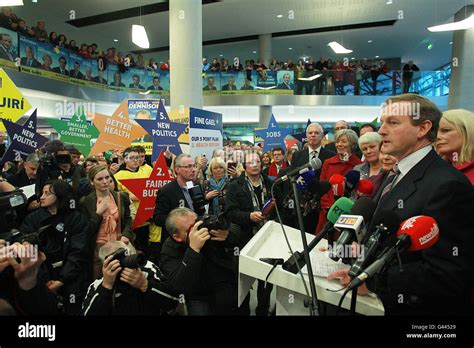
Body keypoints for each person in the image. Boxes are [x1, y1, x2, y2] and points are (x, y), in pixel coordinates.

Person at [332, 93, 474, 315]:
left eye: (393, 123)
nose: (381, 131)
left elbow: (446, 272)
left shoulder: (448, 185)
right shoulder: (397, 173)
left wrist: (371, 280)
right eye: (382, 123)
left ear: (423, 128)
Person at [19, 180, 91, 314]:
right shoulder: (33, 219)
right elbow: (26, 248)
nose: (41, 197)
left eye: (47, 193)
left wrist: (61, 280)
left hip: (72, 279)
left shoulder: (76, 219)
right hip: (41, 279)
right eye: (42, 193)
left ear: (60, 195)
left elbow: (79, 252)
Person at [160, 208, 240, 315]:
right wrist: (193, 250)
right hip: (198, 295)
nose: (198, 230)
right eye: (190, 229)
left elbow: (237, 238)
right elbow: (180, 284)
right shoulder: (169, 250)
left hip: (224, 284)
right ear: (177, 237)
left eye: (197, 223)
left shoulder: (204, 226)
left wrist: (227, 235)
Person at [225, 151, 277, 316]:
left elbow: (280, 208)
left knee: (266, 280)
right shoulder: (234, 185)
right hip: (244, 239)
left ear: (262, 164)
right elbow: (230, 212)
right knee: (244, 281)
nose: (254, 165)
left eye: (257, 162)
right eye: (250, 162)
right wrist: (248, 216)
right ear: (245, 166)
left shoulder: (271, 183)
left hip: (268, 239)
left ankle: (263, 310)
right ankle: (243, 311)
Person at [81, 241, 179, 315]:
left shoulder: (147, 269)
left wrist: (144, 285)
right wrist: (106, 286)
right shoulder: (99, 284)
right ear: (105, 265)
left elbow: (173, 302)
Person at [80, 166, 133, 280]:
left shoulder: (121, 196)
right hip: (98, 248)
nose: (105, 182)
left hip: (119, 244)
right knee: (100, 281)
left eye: (107, 177)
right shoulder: (86, 201)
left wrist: (126, 235)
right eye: (99, 179)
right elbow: (86, 230)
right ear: (92, 182)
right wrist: (98, 213)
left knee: (123, 279)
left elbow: (128, 219)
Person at [288, 123, 335, 232]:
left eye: (316, 133)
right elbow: (293, 178)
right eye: (310, 133)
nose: (313, 135)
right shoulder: (298, 155)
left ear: (322, 136)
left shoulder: (331, 155)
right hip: (302, 205)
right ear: (307, 136)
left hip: (321, 206)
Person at [316, 129, 362, 234]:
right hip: (327, 212)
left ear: (352, 144)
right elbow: (322, 186)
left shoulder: (359, 165)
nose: (339, 144)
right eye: (337, 142)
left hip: (346, 215)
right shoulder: (328, 163)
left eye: (343, 141)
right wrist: (328, 206)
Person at [436, 109, 474, 184]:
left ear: (467, 132)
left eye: (446, 130)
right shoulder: (434, 168)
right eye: (434, 132)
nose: (437, 137)